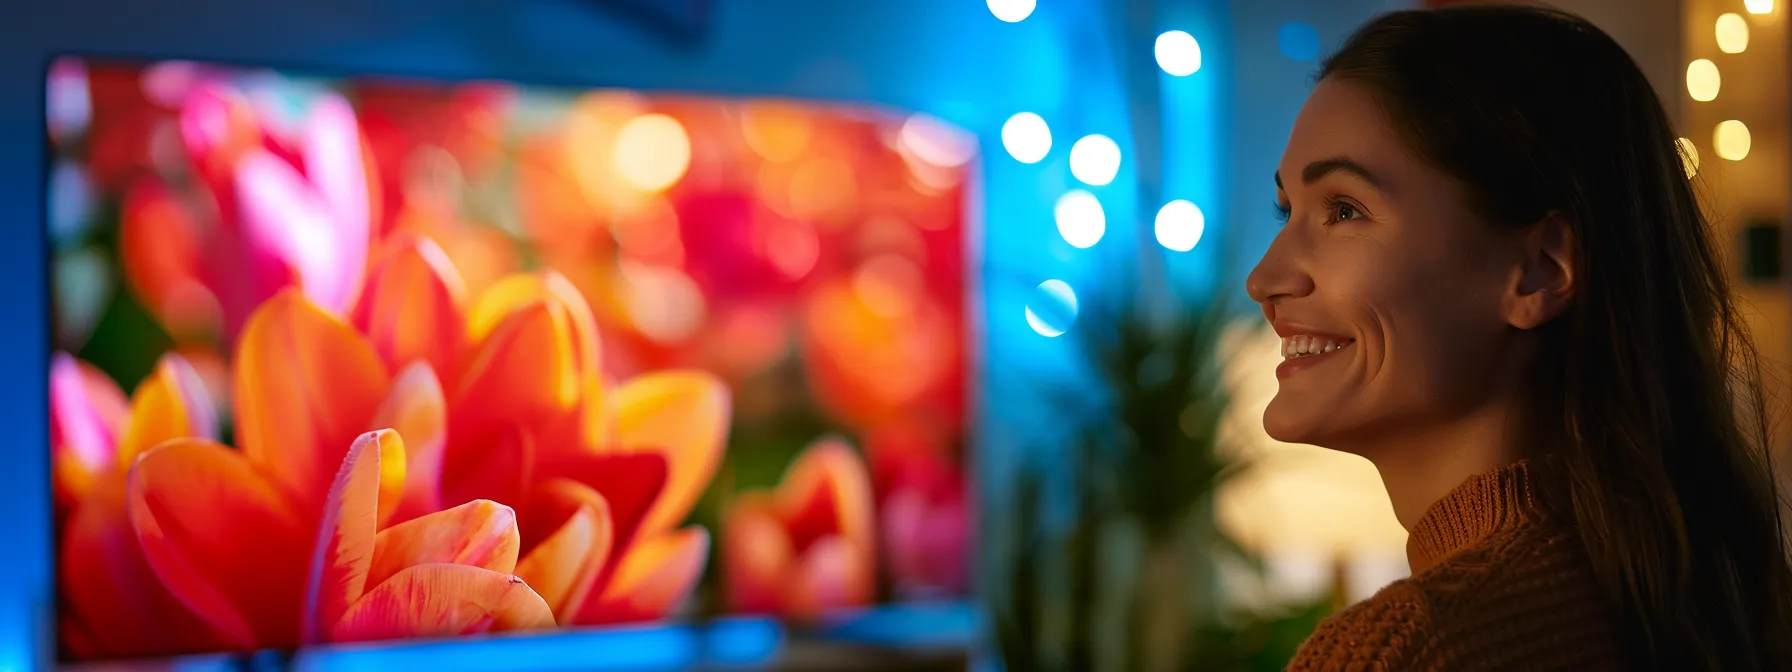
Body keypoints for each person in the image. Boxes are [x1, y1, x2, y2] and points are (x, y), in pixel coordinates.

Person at [1245, 5, 1792, 671]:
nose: (1264, 278)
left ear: (1539, 272)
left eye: (1343, 210)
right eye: (1286, 210)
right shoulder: (1720, 598)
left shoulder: (1406, 652)